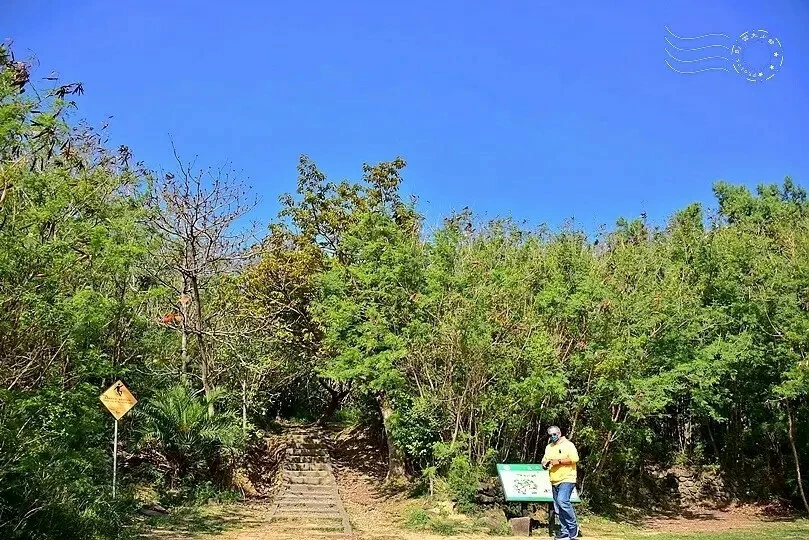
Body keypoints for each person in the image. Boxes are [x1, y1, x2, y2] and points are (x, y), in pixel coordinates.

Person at [542, 426, 581, 539]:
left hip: (567, 478)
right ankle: (565, 532)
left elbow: (574, 458)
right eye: (550, 435)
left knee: (562, 501)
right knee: (558, 507)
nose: (552, 437)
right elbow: (544, 460)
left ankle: (573, 527)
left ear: (559, 433)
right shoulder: (549, 447)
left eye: (554, 434)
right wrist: (545, 464)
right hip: (554, 479)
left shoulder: (568, 445)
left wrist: (558, 461)